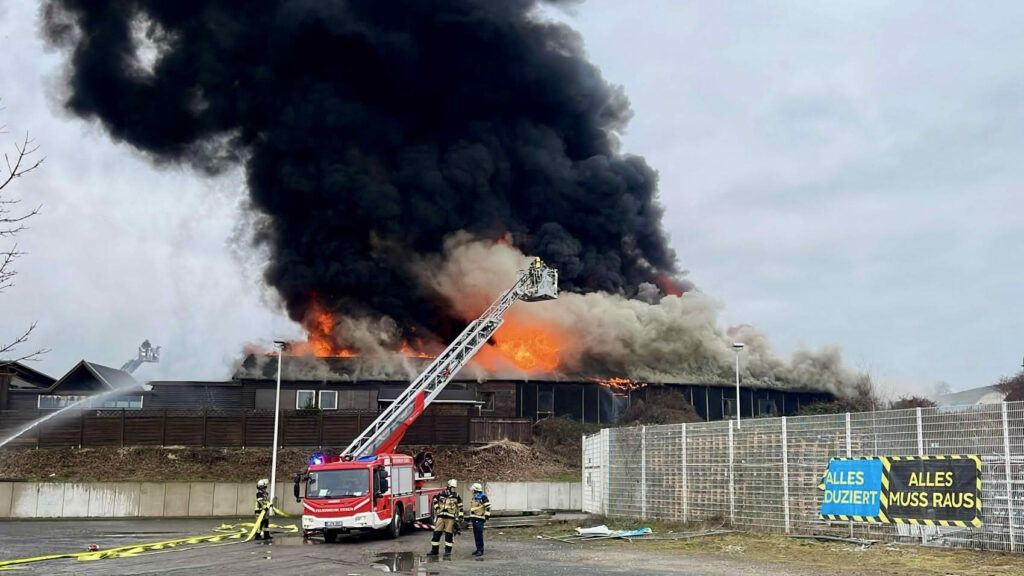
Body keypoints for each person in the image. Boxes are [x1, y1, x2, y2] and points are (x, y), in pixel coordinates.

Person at [428, 479, 463, 557]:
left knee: (449, 535)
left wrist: (460, 516)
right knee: (436, 534)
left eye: (455, 488)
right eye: (452, 487)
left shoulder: (456, 496)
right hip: (441, 517)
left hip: (450, 518)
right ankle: (434, 550)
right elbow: (434, 500)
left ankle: (447, 552)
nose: (454, 489)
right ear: (449, 487)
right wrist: (437, 509)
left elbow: (460, 506)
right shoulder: (441, 494)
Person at [468, 483, 491, 556]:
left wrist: (487, 516)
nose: (472, 492)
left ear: (476, 490)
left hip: (480, 519)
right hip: (474, 519)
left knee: (479, 535)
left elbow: (488, 507)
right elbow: (473, 509)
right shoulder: (474, 498)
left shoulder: (483, 497)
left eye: (473, 490)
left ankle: (481, 550)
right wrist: (470, 518)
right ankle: (478, 549)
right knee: (476, 535)